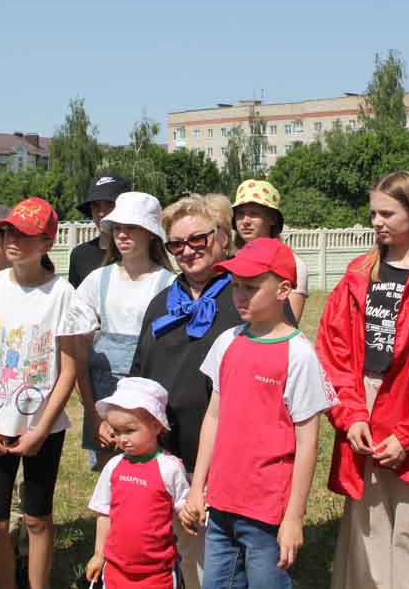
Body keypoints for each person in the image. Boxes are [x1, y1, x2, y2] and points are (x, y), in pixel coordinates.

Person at [315, 171, 409, 588]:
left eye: (388, 213)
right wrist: (351, 414)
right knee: (368, 520)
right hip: (364, 401)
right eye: (373, 212)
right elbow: (333, 347)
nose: (377, 222)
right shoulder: (360, 273)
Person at [181, 238, 337, 589]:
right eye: (235, 286)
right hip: (220, 506)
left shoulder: (298, 354)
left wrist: (294, 517)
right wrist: (197, 488)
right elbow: (214, 418)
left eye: (251, 287)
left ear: (284, 289)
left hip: (267, 512)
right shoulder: (228, 341)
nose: (239, 295)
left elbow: (307, 441)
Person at [0, 198, 78, 589]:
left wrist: (41, 429)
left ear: (46, 242)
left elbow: (69, 370)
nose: (11, 240)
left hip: (43, 428)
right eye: (8, 231)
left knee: (37, 517)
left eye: (24, 235)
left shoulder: (62, 294)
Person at [129, 192, 240, 587]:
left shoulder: (243, 297)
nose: (188, 251)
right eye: (177, 244)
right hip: (167, 453)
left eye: (199, 239)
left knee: (224, 559)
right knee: (174, 551)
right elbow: (140, 372)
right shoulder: (162, 304)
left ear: (223, 237)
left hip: (228, 453)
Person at [61, 191, 175, 469]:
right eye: (118, 228)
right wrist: (93, 412)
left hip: (149, 393)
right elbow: (79, 349)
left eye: (132, 228)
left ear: (151, 233)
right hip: (103, 393)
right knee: (111, 473)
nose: (122, 235)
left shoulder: (169, 284)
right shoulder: (97, 281)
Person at [85, 377, 191, 588]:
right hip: (116, 570)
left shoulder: (169, 468)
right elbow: (104, 513)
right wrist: (99, 554)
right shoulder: (114, 466)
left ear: (156, 425)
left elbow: (183, 507)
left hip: (157, 573)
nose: (122, 439)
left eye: (129, 430)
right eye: (116, 431)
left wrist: (189, 513)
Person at [232, 179, 311, 321]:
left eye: (254, 213)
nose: (245, 221)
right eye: (240, 213)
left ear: (272, 218)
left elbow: (289, 324)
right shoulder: (229, 262)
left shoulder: (294, 265)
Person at [69, 173, 132, 289]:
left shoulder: (138, 255)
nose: (101, 213)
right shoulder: (80, 255)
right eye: (96, 205)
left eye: (110, 204)